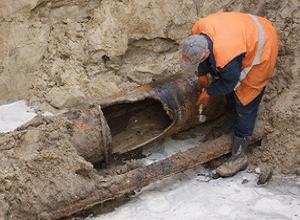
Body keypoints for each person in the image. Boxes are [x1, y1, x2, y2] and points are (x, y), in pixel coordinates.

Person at [181, 12, 279, 177]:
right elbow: (205, 61)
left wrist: (208, 93)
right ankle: (231, 123)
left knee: (246, 101)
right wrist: (202, 74)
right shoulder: (198, 32)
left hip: (263, 45)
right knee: (228, 86)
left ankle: (239, 156)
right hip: (244, 32)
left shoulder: (227, 58)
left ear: (205, 53)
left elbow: (229, 83)